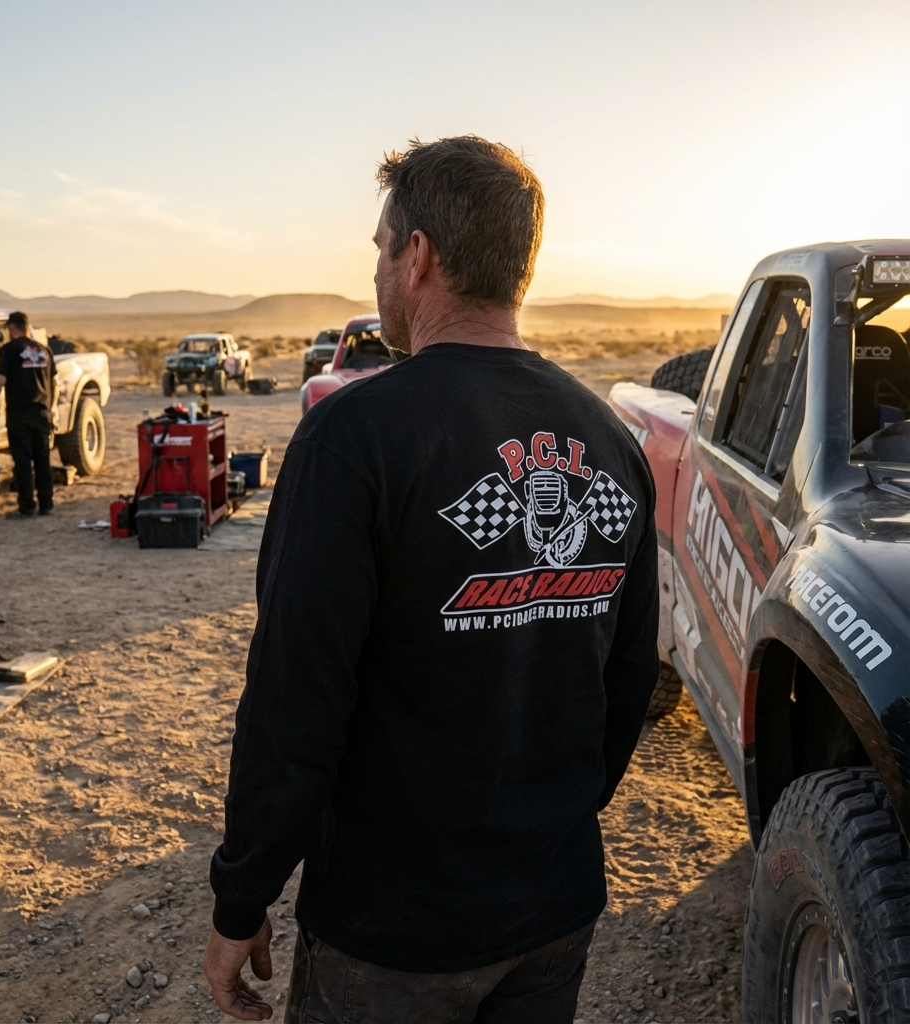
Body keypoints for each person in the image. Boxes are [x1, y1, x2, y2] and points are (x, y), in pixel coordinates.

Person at [203, 136, 659, 1023]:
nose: (376, 271)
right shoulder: (608, 442)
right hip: (553, 908)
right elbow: (629, 677)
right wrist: (549, 821)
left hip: (395, 930)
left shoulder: (356, 438)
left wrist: (241, 894)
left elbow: (296, 699)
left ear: (419, 257)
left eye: (381, 247)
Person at [0, 311, 56, 517]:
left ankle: (27, 507)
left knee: (23, 462)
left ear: (11, 328)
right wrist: (50, 408)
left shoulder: (8, 350)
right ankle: (47, 505)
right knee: (43, 460)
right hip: (42, 412)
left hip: (20, 413)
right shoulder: (44, 350)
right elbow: (53, 383)